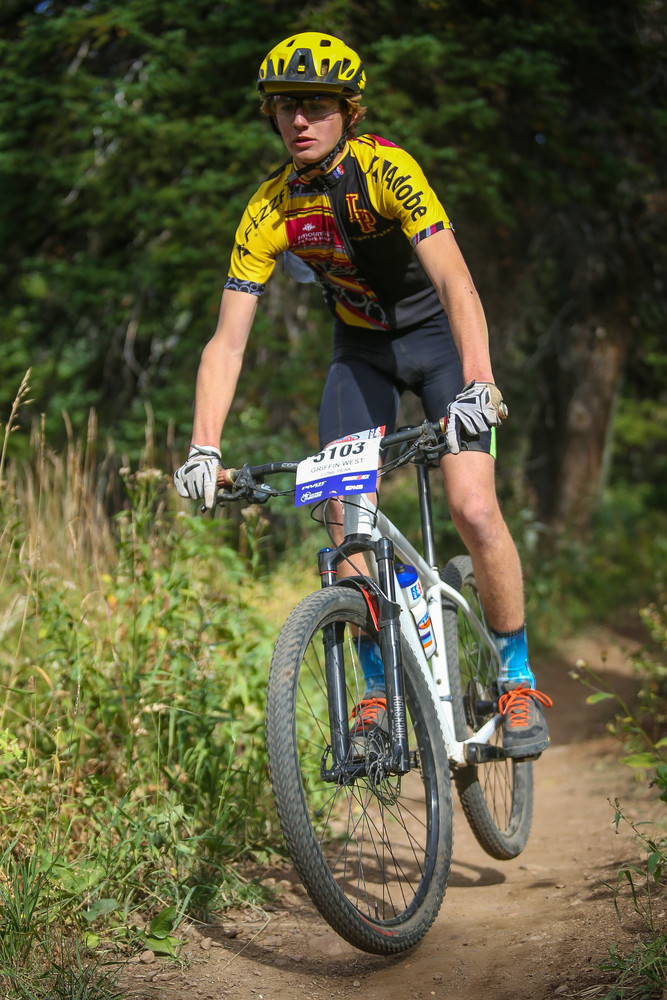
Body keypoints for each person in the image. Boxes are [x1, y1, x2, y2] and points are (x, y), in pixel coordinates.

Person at [174, 31, 552, 758]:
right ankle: (376, 697)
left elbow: (455, 281)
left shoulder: (386, 169)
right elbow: (227, 341)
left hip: (438, 346)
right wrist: (203, 447)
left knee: (474, 507)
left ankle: (515, 679)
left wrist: (479, 381)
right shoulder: (269, 207)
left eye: (316, 106)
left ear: (348, 112)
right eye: (285, 107)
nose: (299, 120)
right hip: (362, 355)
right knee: (347, 523)